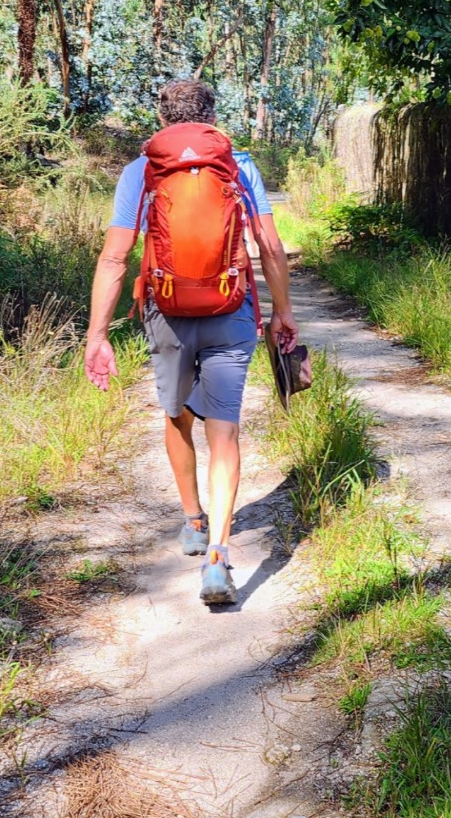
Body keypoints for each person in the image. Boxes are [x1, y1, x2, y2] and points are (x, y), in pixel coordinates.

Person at [84, 78, 298, 605]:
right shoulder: (238, 164)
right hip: (231, 310)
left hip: (165, 311)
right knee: (225, 428)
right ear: (210, 116)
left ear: (163, 118)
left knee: (176, 413)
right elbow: (269, 246)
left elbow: (115, 258)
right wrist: (282, 313)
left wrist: (97, 334)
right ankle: (219, 558)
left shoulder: (142, 171)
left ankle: (194, 520)